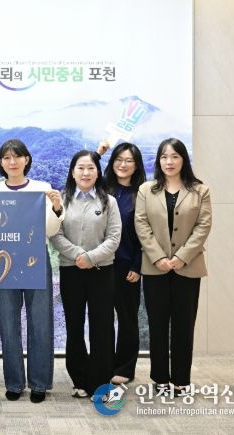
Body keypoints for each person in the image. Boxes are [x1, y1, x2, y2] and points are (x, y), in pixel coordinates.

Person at [0, 139, 64, 403]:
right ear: (1, 163)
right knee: (8, 323)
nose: (12, 162)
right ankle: (14, 382)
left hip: (35, 258)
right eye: (6, 158)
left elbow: (50, 230)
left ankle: (39, 383)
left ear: (26, 159)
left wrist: (56, 208)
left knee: (40, 322)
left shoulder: (42, 188)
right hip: (3, 261)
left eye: (17, 156)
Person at [134, 138, 212, 395]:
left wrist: (181, 257)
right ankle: (159, 378)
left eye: (175, 156)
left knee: (184, 325)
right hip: (155, 267)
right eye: (164, 157)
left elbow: (203, 226)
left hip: (187, 267)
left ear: (183, 160)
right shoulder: (146, 190)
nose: (169, 161)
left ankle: (181, 380)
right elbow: (141, 224)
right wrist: (158, 257)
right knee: (157, 324)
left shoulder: (200, 190)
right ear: (159, 161)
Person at [50, 150, 121, 399]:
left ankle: (101, 382)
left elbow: (114, 238)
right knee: (74, 325)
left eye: (91, 168)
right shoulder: (62, 200)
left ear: (98, 172)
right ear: (72, 172)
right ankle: (79, 379)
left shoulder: (109, 202)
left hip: (102, 271)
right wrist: (78, 255)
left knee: (102, 326)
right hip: (71, 271)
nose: (86, 172)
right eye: (80, 168)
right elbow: (55, 234)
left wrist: (90, 258)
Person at [97, 141, 146, 385]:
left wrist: (138, 266)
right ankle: (105, 364)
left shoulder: (142, 194)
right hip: (101, 265)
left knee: (127, 318)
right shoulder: (102, 189)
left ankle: (126, 367)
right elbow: (80, 173)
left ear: (136, 165)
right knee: (103, 318)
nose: (123, 164)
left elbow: (147, 234)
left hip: (127, 266)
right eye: (118, 159)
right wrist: (98, 154)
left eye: (128, 161)